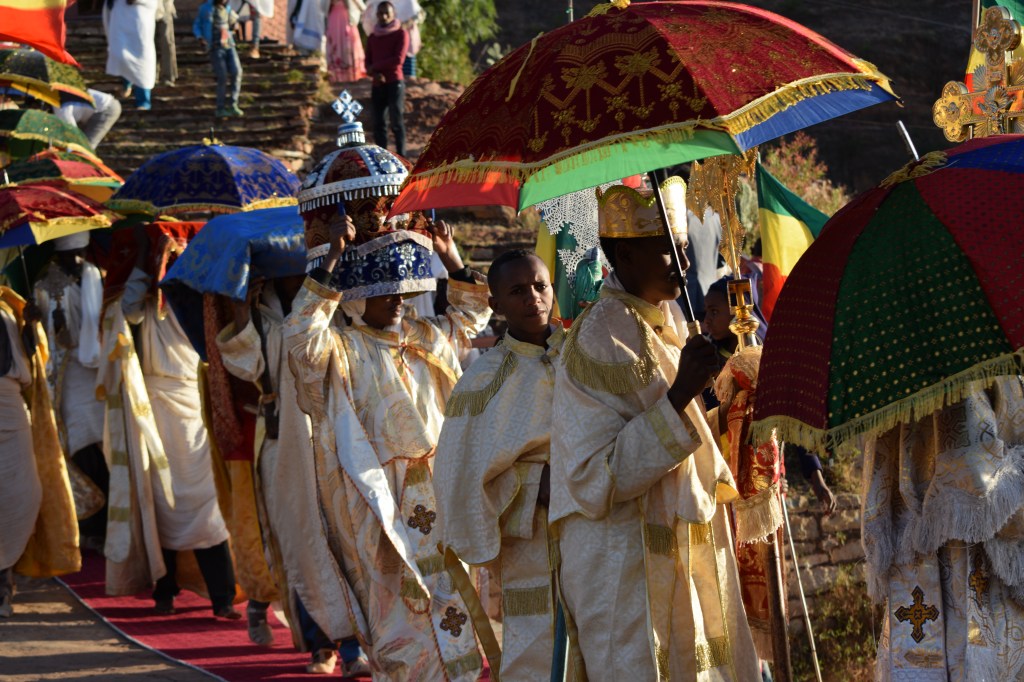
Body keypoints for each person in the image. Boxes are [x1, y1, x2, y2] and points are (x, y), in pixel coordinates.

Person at [550, 179, 760, 680]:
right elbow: (594, 477)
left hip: (682, 546)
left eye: (683, 246)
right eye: (667, 249)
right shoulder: (598, 338)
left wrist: (737, 404)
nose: (683, 262)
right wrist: (680, 393)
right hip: (624, 566)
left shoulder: (667, 319)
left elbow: (694, 432)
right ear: (623, 254)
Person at [284, 213, 490, 680]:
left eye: (401, 290)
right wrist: (333, 259)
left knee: (455, 603)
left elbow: (470, 319)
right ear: (356, 299)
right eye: (383, 292)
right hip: (380, 502)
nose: (397, 299)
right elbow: (299, 336)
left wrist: (450, 257)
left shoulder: (424, 335)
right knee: (399, 612)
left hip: (440, 487)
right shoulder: (341, 348)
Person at [216, 275, 369, 674]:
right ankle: (322, 646)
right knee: (301, 541)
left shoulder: (336, 305)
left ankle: (356, 646)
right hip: (281, 441)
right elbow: (247, 366)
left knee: (345, 538)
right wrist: (241, 312)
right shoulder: (260, 311)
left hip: (335, 434)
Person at [97, 225, 239, 618]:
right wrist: (142, 268)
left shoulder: (201, 298)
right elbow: (122, 312)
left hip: (192, 403)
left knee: (204, 502)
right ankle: (164, 592)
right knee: (158, 498)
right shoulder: (143, 300)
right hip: (153, 408)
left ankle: (222, 598)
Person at [434, 249, 562, 681]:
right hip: (532, 539)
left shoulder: (584, 357)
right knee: (537, 652)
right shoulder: (483, 382)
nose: (533, 298)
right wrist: (534, 483)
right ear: (496, 304)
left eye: (540, 286)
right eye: (517, 290)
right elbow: (460, 478)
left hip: (597, 527)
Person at [863, 376, 1024, 679]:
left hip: (913, 542)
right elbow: (980, 484)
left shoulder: (889, 374)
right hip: (973, 551)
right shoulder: (970, 369)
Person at [0, 287, 80, 618]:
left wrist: (31, 328)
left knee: (22, 494)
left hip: (10, 405)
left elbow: (32, 361)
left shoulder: (9, 307)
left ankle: (4, 580)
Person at [34, 233, 108, 553]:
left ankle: (113, 520)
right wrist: (49, 324)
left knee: (107, 443)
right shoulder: (45, 284)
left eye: (81, 253)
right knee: (81, 444)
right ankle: (91, 524)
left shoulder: (95, 275)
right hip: (69, 375)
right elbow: (49, 340)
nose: (77, 260)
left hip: (100, 372)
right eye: (71, 255)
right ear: (60, 254)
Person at [365, 1, 408, 155]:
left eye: (386, 13)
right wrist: (374, 73)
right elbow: (367, 64)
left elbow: (398, 60)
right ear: (376, 15)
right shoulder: (372, 37)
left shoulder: (401, 34)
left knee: (396, 122)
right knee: (379, 124)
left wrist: (375, 67)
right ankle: (382, 159)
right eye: (380, 13)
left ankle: (403, 159)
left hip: (394, 83)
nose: (383, 16)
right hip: (378, 84)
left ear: (393, 15)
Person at [103, 0, 158, 110]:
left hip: (140, 17)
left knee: (142, 62)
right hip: (120, 15)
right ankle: (127, 83)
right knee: (120, 54)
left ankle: (143, 100)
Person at [194, 0, 244, 117]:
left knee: (237, 71)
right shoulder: (206, 9)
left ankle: (233, 103)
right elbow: (197, 24)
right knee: (222, 76)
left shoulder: (227, 9)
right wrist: (200, 37)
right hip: (215, 46)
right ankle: (220, 107)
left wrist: (235, 27)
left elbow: (233, 22)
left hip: (229, 45)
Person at [53, 88, 122, 149]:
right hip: (94, 110)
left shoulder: (57, 101)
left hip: (106, 108)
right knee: (78, 146)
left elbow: (69, 126)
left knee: (85, 148)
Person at [326, 0, 366, 82]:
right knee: (336, 43)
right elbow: (323, 8)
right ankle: (337, 75)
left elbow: (362, 7)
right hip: (334, 18)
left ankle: (350, 73)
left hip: (347, 18)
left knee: (347, 43)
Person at [154, 0, 178, 86]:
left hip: (165, 9)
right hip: (148, 10)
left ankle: (168, 76)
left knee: (166, 43)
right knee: (150, 45)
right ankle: (152, 76)